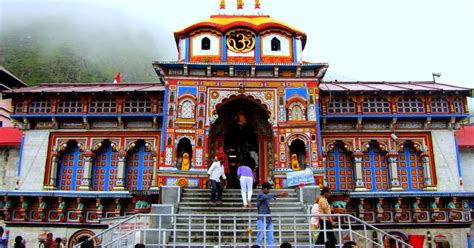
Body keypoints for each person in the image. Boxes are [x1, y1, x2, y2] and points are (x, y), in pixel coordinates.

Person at [255, 182, 288, 247]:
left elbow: (270, 197)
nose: (269, 190)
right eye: (268, 189)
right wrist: (278, 194)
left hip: (268, 219)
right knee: (260, 237)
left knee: (270, 237)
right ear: (264, 188)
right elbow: (267, 197)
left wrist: (279, 195)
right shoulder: (260, 195)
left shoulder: (266, 195)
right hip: (261, 219)